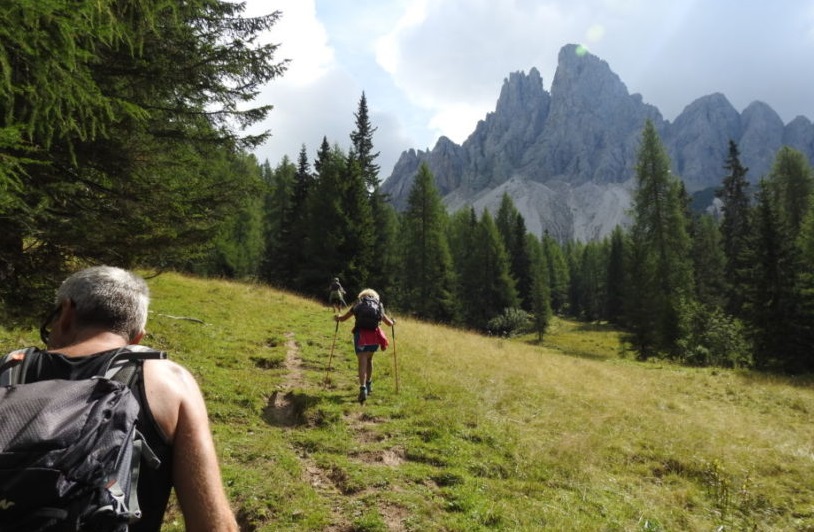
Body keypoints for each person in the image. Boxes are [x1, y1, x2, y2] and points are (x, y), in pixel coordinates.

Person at [25, 266, 239, 531]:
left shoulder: (7, 372)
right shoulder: (169, 382)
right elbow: (212, 525)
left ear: (66, 313)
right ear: (137, 338)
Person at [334, 288, 395, 404]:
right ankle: (369, 384)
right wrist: (393, 322)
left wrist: (337, 317)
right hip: (374, 336)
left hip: (360, 335)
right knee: (369, 359)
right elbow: (388, 323)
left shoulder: (358, 303)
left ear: (361, 296)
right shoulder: (378, 305)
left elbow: (343, 319)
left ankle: (362, 388)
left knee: (362, 360)